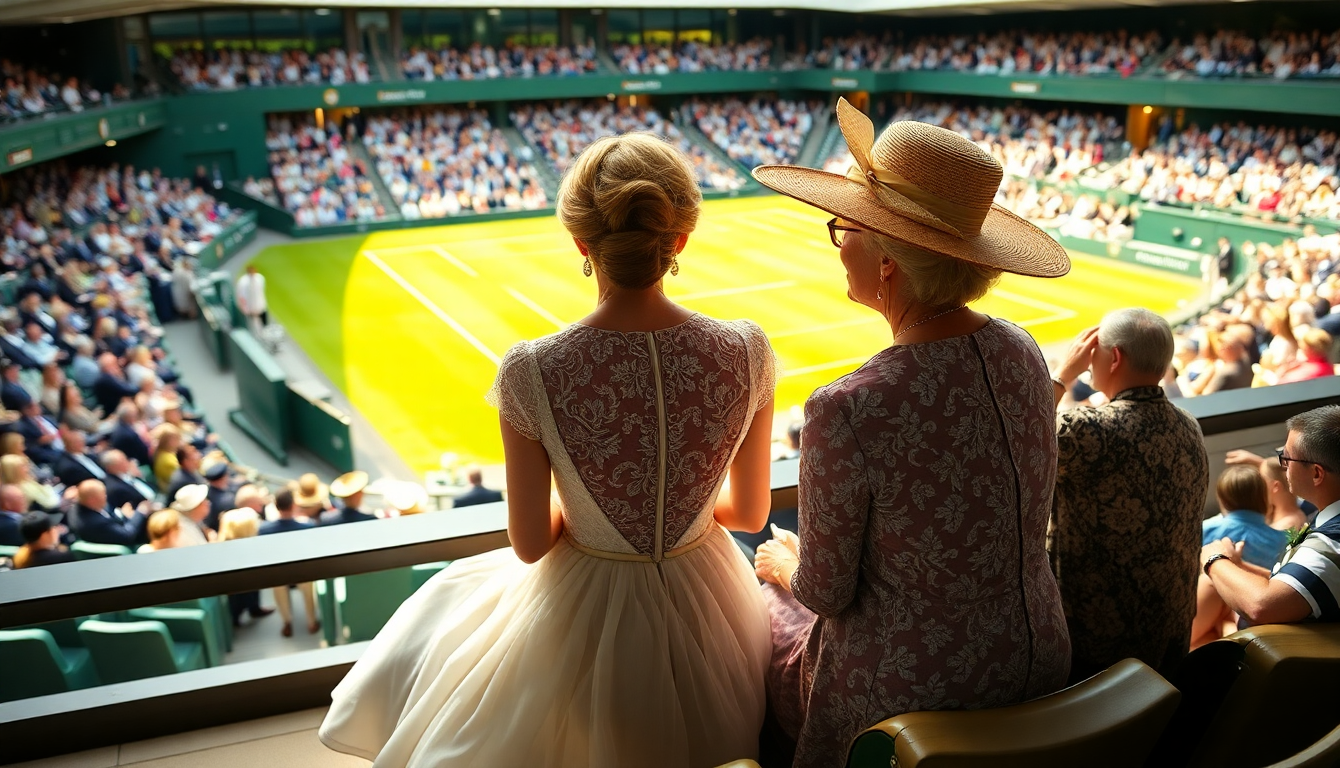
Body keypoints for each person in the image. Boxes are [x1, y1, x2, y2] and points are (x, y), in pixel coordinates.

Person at [320, 131, 777, 767]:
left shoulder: (531, 369)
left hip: (583, 597)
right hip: (713, 598)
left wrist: (599, 516)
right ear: (679, 240)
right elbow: (752, 517)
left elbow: (531, 542)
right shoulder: (748, 350)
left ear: (581, 244)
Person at [747, 99, 1072, 768]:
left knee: (755, 629)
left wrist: (784, 566)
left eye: (845, 230)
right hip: (1041, 655)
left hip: (910, 704)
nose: (840, 246)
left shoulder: (850, 406)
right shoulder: (1022, 350)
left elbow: (826, 591)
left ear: (889, 262)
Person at [1049, 308, 1208, 682]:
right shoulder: (1189, 425)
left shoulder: (1084, 430)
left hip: (1096, 646)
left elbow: (1018, 431)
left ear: (1115, 357)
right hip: (1169, 632)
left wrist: (1063, 375)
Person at [1203, 406, 1340, 626]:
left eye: (1286, 458)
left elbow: (1262, 606)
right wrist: (1239, 566)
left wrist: (1214, 559)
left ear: (1316, 474)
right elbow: (1293, 582)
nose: (1283, 466)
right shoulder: (1329, 516)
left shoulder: (1333, 544)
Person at [1191, 465, 1288, 648]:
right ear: (1265, 499)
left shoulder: (1205, 529)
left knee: (1209, 583)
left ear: (1222, 500)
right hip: (1252, 616)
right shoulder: (1282, 539)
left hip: (1210, 609)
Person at [260, 488, 320, 637]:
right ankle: (311, 622)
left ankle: (287, 622)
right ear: (293, 505)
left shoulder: (264, 529)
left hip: (278, 571)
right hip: (301, 570)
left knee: (279, 590)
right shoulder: (307, 526)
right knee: (308, 592)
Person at [69, 479, 147, 548]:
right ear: (92, 500)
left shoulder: (74, 509)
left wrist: (122, 515)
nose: (106, 497)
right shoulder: (97, 523)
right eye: (103, 494)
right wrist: (140, 512)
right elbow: (128, 535)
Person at [235, 263, 268, 340]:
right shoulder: (243, 282)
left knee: (263, 324)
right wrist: (244, 308)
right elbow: (241, 296)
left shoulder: (260, 278)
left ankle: (263, 336)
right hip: (249, 308)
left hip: (260, 305)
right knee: (252, 325)